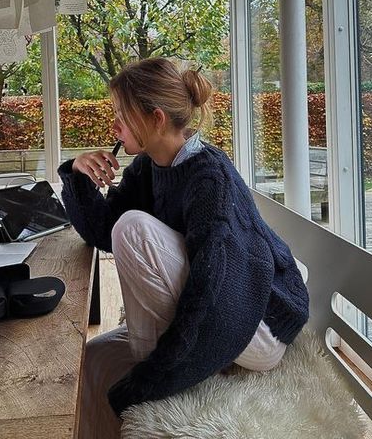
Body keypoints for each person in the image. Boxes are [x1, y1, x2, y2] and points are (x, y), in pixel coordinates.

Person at [58, 57, 309, 438]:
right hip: (220, 305)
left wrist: (152, 378)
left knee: (134, 227)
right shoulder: (148, 168)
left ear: (156, 118)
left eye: (121, 116)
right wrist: (78, 176)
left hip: (257, 323)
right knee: (92, 356)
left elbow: (216, 286)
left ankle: (152, 365)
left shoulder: (209, 177)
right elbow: (101, 233)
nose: (113, 127)